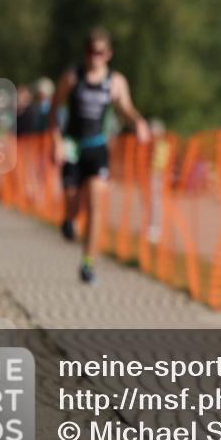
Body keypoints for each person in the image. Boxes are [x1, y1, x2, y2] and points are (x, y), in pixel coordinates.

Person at [49, 27, 150, 284]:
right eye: (91, 52)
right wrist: (56, 141)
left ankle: (88, 262)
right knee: (73, 204)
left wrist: (138, 123)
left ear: (109, 54)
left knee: (95, 205)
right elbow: (53, 109)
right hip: (72, 146)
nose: (95, 57)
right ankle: (69, 218)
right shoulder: (72, 77)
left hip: (97, 148)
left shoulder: (116, 82)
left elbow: (126, 108)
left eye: (101, 53)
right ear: (85, 52)